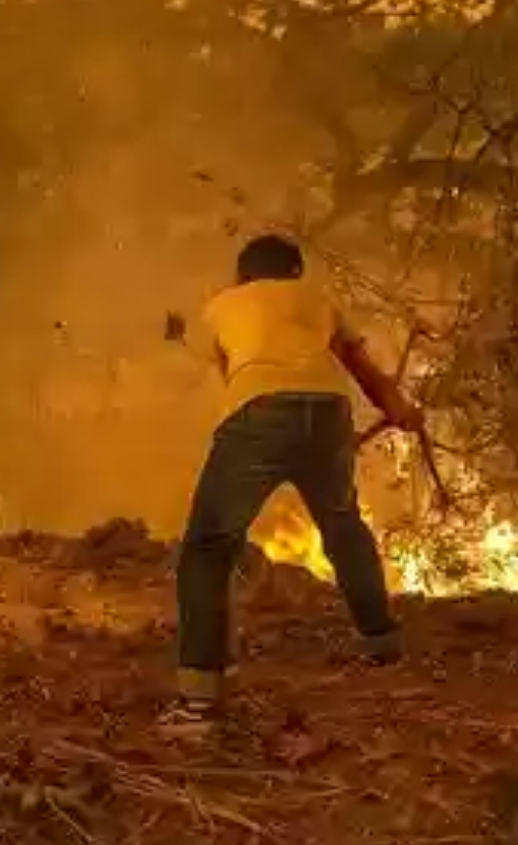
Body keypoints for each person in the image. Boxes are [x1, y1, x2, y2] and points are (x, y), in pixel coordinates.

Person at [161, 234, 422, 735]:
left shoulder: (222, 305)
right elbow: (365, 372)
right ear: (295, 272)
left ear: (243, 276)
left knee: (208, 547)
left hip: (259, 411)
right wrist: (400, 411)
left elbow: (230, 375)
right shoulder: (319, 299)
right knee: (343, 526)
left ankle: (199, 700)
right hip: (328, 410)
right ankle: (382, 644)